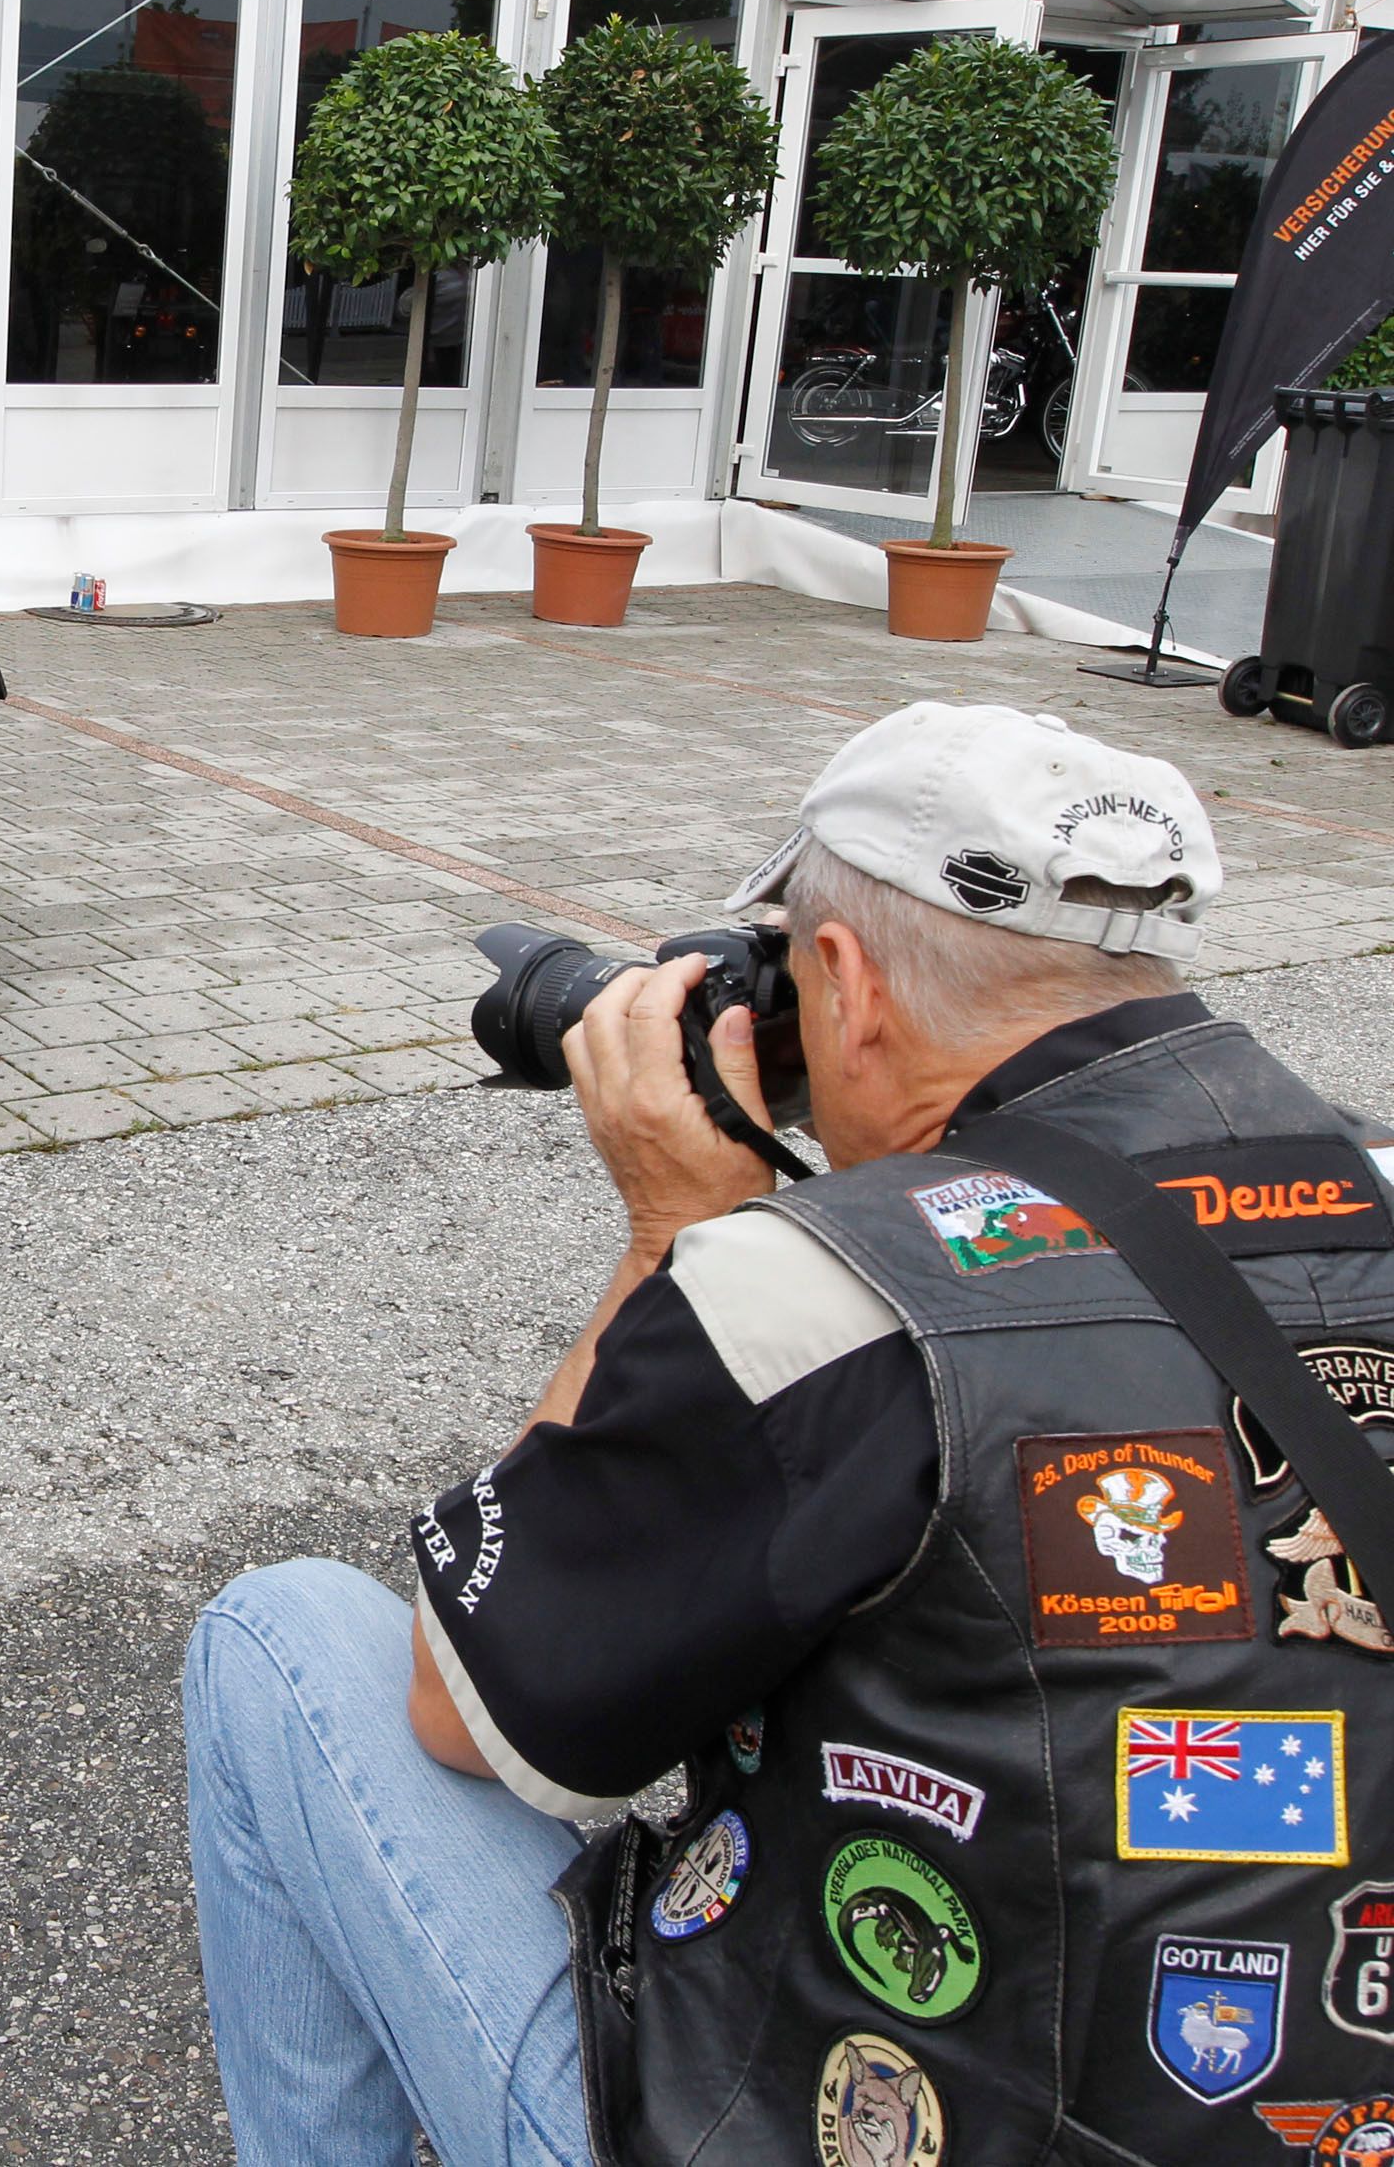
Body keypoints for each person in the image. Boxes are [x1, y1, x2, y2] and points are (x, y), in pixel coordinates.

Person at [183, 702, 1394, 2167]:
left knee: (279, 1635)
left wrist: (676, 1232)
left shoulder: (823, 1293)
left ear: (844, 979)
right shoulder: (1360, 1178)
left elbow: (461, 1706)